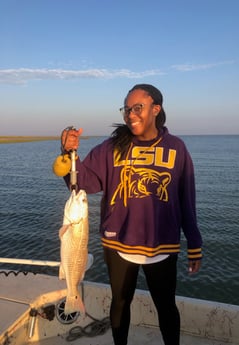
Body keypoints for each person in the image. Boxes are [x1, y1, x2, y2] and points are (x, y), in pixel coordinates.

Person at [61, 84, 202, 345]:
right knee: (120, 302)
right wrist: (69, 154)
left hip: (162, 245)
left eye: (138, 107)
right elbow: (82, 184)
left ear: (155, 109)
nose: (131, 114)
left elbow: (186, 200)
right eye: (127, 109)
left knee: (166, 306)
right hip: (118, 243)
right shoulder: (112, 147)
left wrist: (194, 242)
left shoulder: (176, 148)